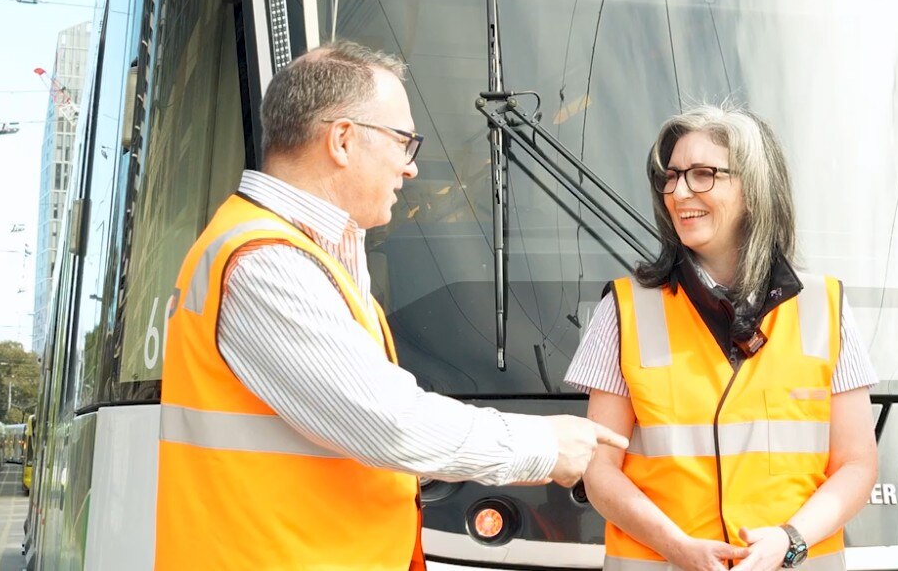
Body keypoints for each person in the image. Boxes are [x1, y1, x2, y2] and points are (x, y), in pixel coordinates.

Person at [156, 42, 626, 571]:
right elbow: (387, 425)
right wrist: (544, 444)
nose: (411, 167)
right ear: (342, 139)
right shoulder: (266, 264)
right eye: (404, 141)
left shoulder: (300, 251)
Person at [567, 104, 878, 571]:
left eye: (703, 174)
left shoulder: (826, 307)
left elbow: (857, 464)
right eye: (671, 177)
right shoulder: (624, 308)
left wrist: (789, 541)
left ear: (754, 190)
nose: (679, 192)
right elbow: (599, 471)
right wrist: (675, 546)